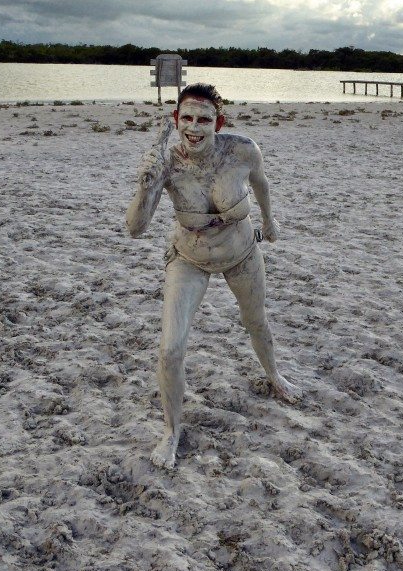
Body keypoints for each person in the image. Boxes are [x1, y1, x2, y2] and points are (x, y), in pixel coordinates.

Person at [126, 83, 299, 469]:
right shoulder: (167, 164)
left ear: (217, 122)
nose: (195, 126)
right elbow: (135, 228)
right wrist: (146, 182)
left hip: (241, 252)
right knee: (170, 349)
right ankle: (171, 433)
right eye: (186, 118)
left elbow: (261, 184)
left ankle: (274, 375)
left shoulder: (242, 151)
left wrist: (269, 222)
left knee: (256, 323)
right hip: (189, 257)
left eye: (204, 119)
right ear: (176, 121)